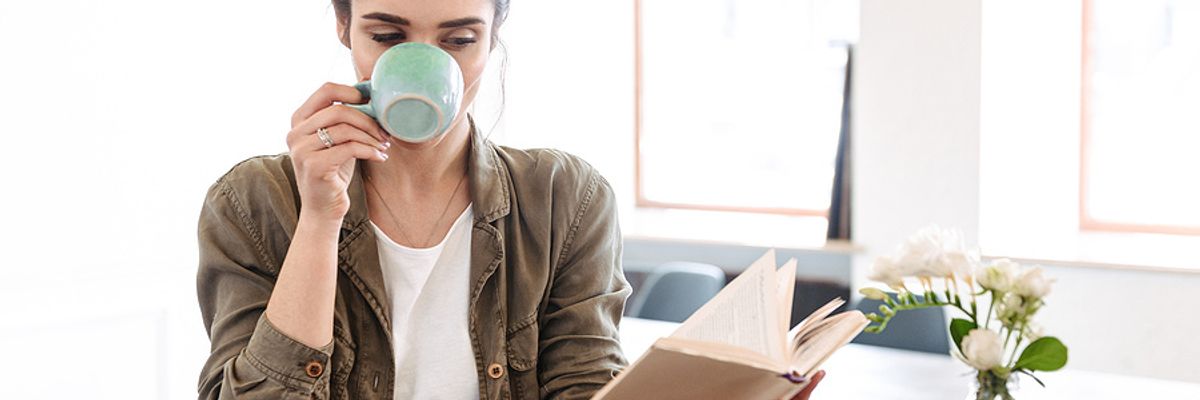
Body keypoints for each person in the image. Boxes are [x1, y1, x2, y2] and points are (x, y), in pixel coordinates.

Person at [195, 1, 824, 399]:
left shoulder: (566, 200)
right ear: (343, 27)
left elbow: (586, 385)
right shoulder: (254, 202)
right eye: (388, 35)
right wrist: (320, 220)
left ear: (494, 33)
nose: (427, 62)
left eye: (459, 39)